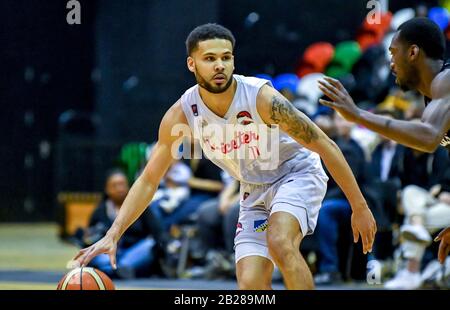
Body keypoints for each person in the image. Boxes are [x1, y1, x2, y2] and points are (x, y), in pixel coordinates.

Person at [72, 23, 376, 290]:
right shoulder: (182, 114)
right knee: (250, 281)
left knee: (281, 243)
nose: (220, 65)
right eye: (210, 59)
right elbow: (149, 180)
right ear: (192, 64)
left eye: (225, 57)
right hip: (253, 188)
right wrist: (113, 234)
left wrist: (358, 206)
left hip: (295, 172)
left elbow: (325, 144)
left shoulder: (262, 98)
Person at [318, 17, 450, 265]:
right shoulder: (434, 98)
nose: (390, 63)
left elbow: (429, 137)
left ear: (412, 52)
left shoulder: (446, 81)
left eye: (393, 52)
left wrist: (359, 115)